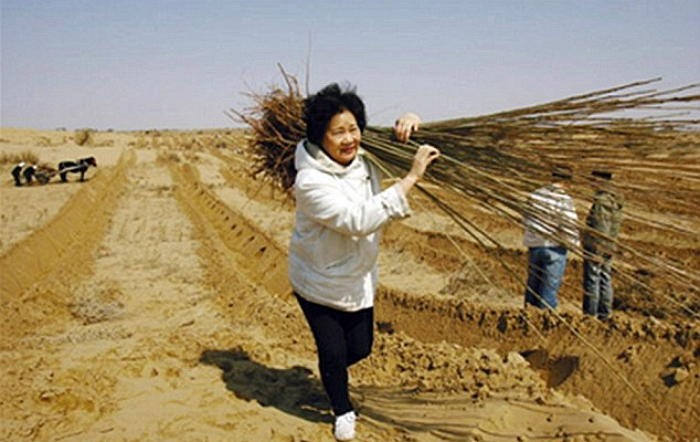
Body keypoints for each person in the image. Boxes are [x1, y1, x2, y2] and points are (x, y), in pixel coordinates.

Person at [289, 83, 439, 441]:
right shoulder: (310, 181)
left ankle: (331, 370)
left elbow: (424, 149)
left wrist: (413, 122)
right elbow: (357, 220)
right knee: (334, 351)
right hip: (317, 279)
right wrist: (411, 178)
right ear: (320, 136)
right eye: (338, 132)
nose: (349, 139)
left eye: (354, 128)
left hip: (357, 277)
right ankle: (342, 409)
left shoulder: (367, 157)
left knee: (361, 348)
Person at [522, 165, 580, 309]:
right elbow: (569, 224)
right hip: (555, 248)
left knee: (533, 286)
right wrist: (573, 244)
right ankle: (543, 322)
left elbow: (526, 218)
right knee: (549, 289)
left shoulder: (535, 194)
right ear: (567, 182)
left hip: (535, 246)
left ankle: (527, 317)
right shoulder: (564, 200)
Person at [582, 170, 624, 320]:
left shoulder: (602, 201)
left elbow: (600, 226)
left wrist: (596, 246)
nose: (591, 183)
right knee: (605, 277)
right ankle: (604, 313)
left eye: (593, 179)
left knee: (593, 279)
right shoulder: (615, 200)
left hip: (598, 245)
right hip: (610, 244)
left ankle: (590, 315)